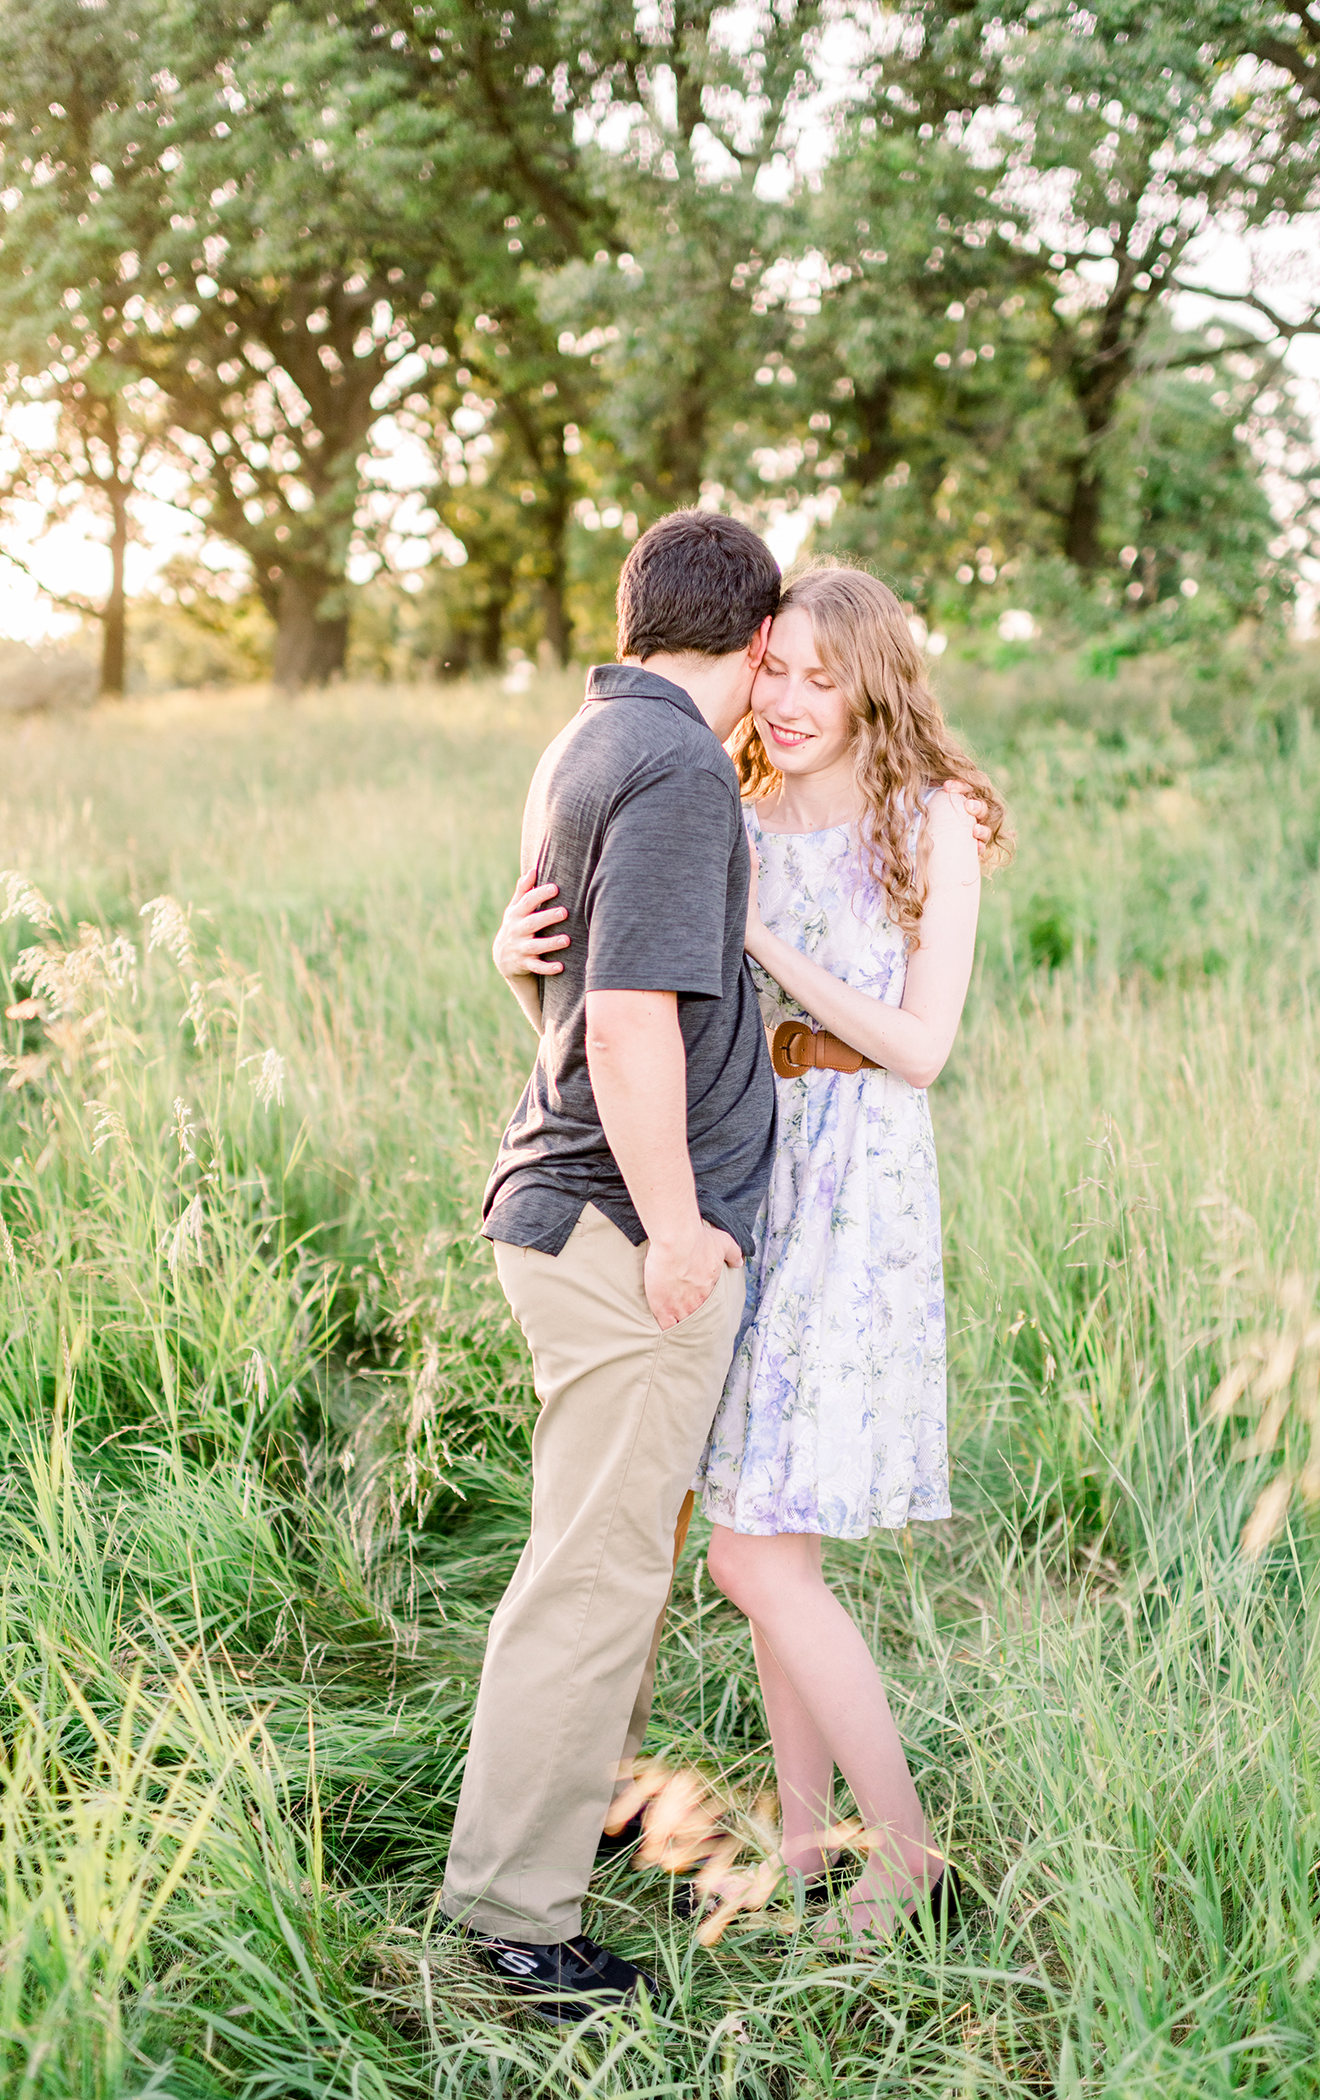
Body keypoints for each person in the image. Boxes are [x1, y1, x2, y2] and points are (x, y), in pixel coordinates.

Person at [498, 560, 1009, 1947]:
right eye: (770, 668)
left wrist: (768, 941)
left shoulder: (930, 819)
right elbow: (628, 975)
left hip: (852, 1180)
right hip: (744, 1165)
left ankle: (901, 1857)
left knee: (750, 1556)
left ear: (874, 683)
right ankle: (800, 1843)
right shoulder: (730, 803)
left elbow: (919, 1048)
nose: (783, 700)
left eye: (817, 677)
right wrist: (513, 955)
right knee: (765, 1540)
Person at [438, 510, 781, 2022]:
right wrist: (680, 1225)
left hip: (570, 1209)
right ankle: (513, 1918)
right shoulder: (683, 768)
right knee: (589, 1579)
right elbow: (630, 1013)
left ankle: (568, 1824)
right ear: (759, 639)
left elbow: (558, 975)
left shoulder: (585, 739)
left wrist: (514, 969)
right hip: (617, 1227)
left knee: (611, 1569)